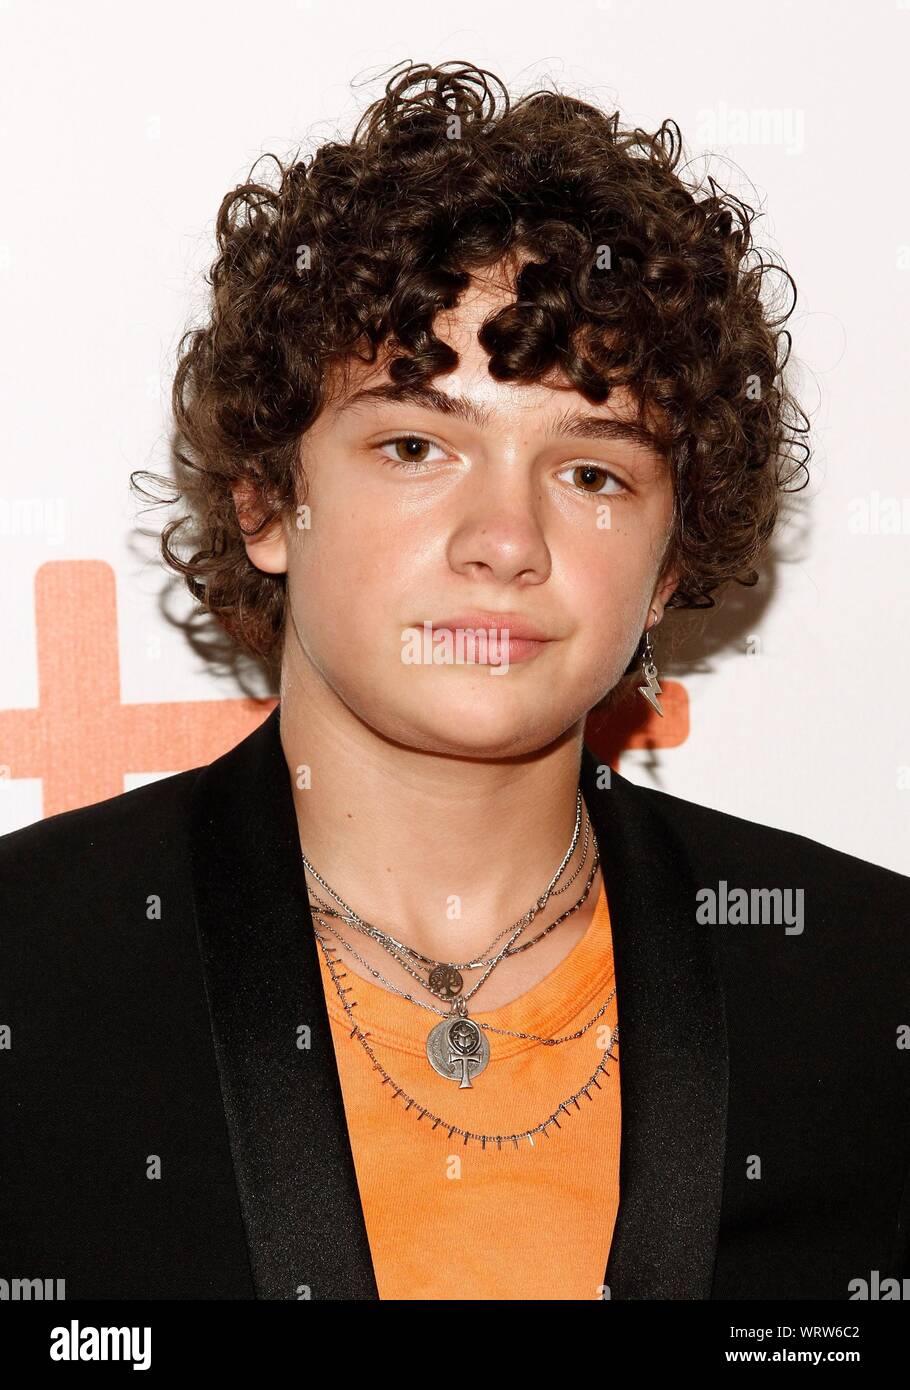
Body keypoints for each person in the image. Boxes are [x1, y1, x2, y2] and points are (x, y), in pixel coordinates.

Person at [1, 60, 908, 1303]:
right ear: (269, 499)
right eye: (416, 445)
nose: (505, 539)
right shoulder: (35, 971)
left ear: (666, 564)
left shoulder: (865, 988)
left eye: (592, 472)